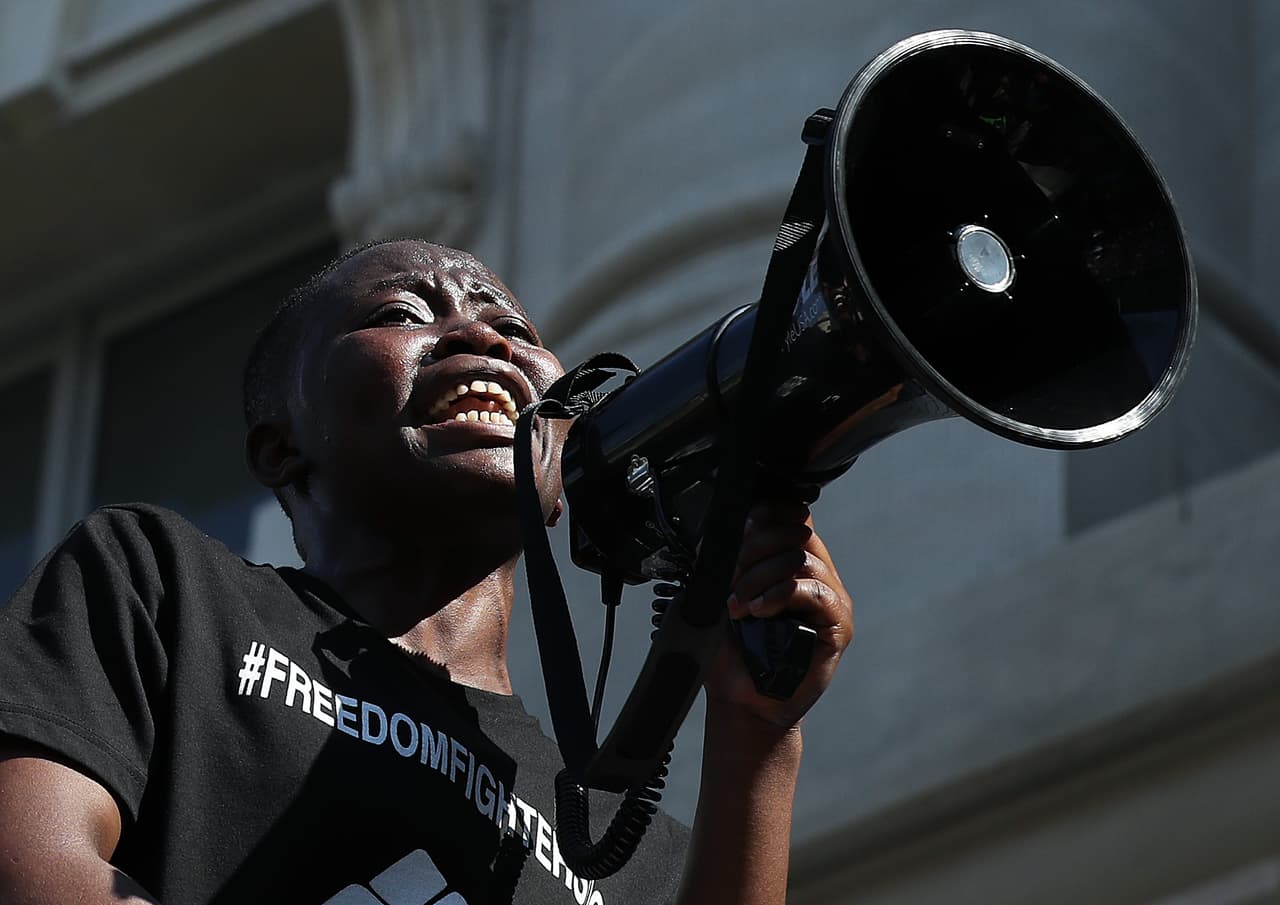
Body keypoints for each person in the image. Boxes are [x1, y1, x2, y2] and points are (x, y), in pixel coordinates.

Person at [0, 239, 854, 905]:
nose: (482, 335)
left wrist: (759, 735)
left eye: (516, 330)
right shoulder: (163, 589)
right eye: (404, 311)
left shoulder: (636, 851)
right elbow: (29, 864)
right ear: (279, 445)